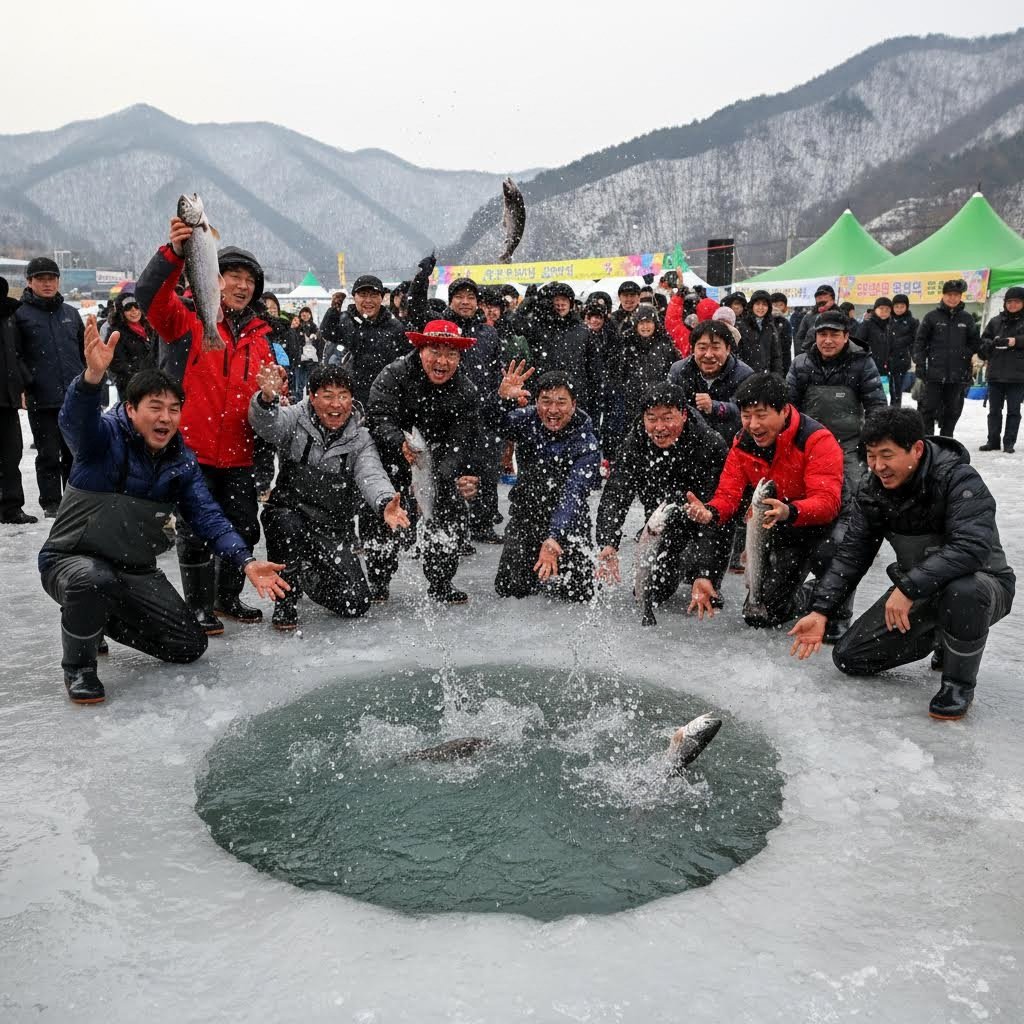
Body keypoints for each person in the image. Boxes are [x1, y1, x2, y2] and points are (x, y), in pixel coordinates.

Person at [38, 318, 288, 704]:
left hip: (134, 568)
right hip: (71, 559)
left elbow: (207, 516)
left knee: (188, 645)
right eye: (155, 407)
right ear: (131, 408)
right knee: (92, 581)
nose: (166, 418)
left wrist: (246, 561)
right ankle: (80, 668)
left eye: (174, 409)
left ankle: (97, 616)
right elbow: (74, 421)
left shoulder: (181, 462)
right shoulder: (101, 441)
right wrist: (90, 378)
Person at [789, 407, 1015, 720]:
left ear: (917, 449)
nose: (878, 466)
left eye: (887, 455)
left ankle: (958, 684)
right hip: (921, 588)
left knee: (963, 591)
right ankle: (943, 633)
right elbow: (853, 554)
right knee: (851, 657)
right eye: (871, 456)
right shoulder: (873, 490)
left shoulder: (959, 479)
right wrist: (821, 610)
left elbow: (970, 549)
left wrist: (907, 589)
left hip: (983, 583)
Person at [136, 219, 275, 632]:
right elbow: (148, 296)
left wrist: (271, 397)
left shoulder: (260, 336)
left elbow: (261, 399)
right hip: (189, 448)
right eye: (233, 276)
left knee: (245, 526)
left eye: (250, 280)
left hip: (238, 453)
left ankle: (227, 597)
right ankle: (198, 607)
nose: (242, 285)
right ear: (213, 278)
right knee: (196, 530)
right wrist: (175, 253)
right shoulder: (185, 320)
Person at [248, 362, 409, 630]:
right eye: (328, 395)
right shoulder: (294, 418)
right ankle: (286, 600)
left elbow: (371, 474)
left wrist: (384, 502)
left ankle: (306, 575)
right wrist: (266, 399)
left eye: (343, 396)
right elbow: (268, 426)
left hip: (331, 527)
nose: (337, 404)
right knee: (284, 522)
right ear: (312, 396)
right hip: (291, 513)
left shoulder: (361, 438)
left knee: (355, 602)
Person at [684, 372, 844, 628]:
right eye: (747, 415)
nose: (753, 425)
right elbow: (729, 495)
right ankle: (805, 594)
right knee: (762, 614)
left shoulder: (817, 440)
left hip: (819, 525)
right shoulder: (742, 443)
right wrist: (711, 512)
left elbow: (827, 502)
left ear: (784, 410)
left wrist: (790, 511)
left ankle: (836, 599)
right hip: (777, 526)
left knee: (834, 550)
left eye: (761, 415)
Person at [364, 319, 480, 603]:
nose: (442, 361)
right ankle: (379, 579)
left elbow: (462, 439)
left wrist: (447, 474)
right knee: (381, 514)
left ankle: (441, 581)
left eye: (451, 353)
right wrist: (398, 444)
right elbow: (378, 418)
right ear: (420, 350)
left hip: (435, 463)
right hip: (392, 459)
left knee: (449, 511)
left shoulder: (465, 390)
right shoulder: (393, 375)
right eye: (435, 351)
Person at [595, 382, 730, 618]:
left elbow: (719, 512)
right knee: (651, 592)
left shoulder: (709, 443)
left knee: (706, 581)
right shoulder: (636, 441)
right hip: (662, 522)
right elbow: (617, 493)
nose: (659, 427)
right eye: (651, 418)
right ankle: (681, 564)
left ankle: (700, 572)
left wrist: (705, 572)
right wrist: (608, 542)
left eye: (668, 418)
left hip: (704, 521)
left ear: (684, 414)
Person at [486, 363, 601, 602]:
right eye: (546, 401)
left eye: (561, 402)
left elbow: (573, 493)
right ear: (535, 402)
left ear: (574, 404)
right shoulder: (527, 420)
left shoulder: (587, 442)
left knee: (581, 595)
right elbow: (492, 423)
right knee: (509, 589)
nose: (552, 410)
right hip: (526, 519)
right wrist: (501, 399)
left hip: (570, 525)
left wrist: (554, 537)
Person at [13, 256, 85, 517]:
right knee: (48, 455)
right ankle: (52, 504)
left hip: (74, 397)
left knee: (75, 454)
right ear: (29, 282)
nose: (47, 283)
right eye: (40, 279)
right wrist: (27, 382)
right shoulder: (19, 314)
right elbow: (15, 355)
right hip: (41, 398)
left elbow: (85, 352)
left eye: (51, 278)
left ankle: (75, 500)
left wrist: (91, 387)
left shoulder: (71, 314)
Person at [913, 279, 981, 438]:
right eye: (949, 295)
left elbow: (975, 342)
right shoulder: (931, 317)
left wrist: (965, 354)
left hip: (957, 374)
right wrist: (920, 363)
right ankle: (928, 441)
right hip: (933, 374)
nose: (952, 298)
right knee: (927, 409)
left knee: (952, 410)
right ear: (943, 295)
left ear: (961, 297)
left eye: (956, 295)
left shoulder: (967, 319)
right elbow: (920, 342)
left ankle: (946, 440)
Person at [669, 320, 754, 445]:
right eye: (702, 348)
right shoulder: (679, 371)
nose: (708, 355)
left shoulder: (744, 374)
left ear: (728, 349)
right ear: (693, 349)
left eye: (715, 348)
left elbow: (748, 412)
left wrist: (715, 407)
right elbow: (670, 407)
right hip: (688, 447)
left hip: (731, 446)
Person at [0, 277, 36, 523]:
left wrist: (23, 379)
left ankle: (11, 507)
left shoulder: (10, 316)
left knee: (11, 454)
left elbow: (17, 353)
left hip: (7, 395)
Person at [978, 286, 1024, 453]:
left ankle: (1009, 443)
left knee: (1014, 411)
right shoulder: (996, 321)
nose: (1012, 305)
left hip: (1018, 376)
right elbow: (983, 343)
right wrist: (989, 344)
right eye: (1009, 301)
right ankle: (993, 441)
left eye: (1017, 301)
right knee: (994, 411)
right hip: (996, 373)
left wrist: (1016, 341)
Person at [616, 304, 677, 426]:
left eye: (648, 322)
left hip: (660, 400)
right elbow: (619, 372)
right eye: (641, 323)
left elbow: (673, 372)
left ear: (655, 323)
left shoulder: (665, 344)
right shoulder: (626, 343)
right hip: (632, 402)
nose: (645, 327)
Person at [103, 288, 159, 398]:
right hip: (131, 387)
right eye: (128, 308)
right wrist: (136, 376)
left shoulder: (149, 328)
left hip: (154, 384)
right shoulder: (116, 333)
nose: (134, 311)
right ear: (121, 312)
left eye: (136, 306)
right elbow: (116, 363)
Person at [854, 297, 909, 407]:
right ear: (875, 309)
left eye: (887, 309)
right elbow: (858, 345)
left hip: (891, 368)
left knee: (893, 397)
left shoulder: (892, 325)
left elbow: (897, 345)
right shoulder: (867, 325)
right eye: (881, 308)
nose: (884, 312)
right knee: (874, 399)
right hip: (871, 368)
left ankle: (893, 418)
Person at [736, 290, 784, 373]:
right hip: (746, 375)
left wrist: (777, 376)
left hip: (766, 376)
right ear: (752, 306)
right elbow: (737, 354)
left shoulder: (771, 327)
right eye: (757, 304)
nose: (761, 307)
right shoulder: (742, 326)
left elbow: (776, 356)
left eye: (764, 304)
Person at [794, 284, 839, 354]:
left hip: (835, 356)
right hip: (811, 357)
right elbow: (800, 338)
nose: (822, 300)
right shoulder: (809, 316)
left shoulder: (840, 316)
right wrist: (802, 355)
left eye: (825, 297)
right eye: (820, 297)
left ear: (832, 300)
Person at [889, 294, 919, 398]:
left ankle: (896, 409)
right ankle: (884, 411)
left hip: (902, 359)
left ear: (907, 307)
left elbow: (915, 340)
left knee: (897, 390)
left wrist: (915, 357)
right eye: (896, 306)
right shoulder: (888, 320)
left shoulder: (912, 322)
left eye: (902, 306)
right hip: (886, 359)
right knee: (885, 390)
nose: (899, 309)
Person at [770, 292, 794, 371]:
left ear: (785, 307)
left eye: (780, 305)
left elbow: (787, 344)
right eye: (775, 305)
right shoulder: (765, 321)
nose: (777, 308)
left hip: (783, 361)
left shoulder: (785, 323)